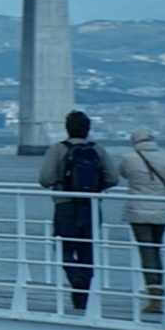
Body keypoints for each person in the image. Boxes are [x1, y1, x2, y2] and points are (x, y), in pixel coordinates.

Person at [37, 109, 117, 310]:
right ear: (88, 129)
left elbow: (45, 179)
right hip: (90, 206)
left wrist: (61, 183)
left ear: (67, 129)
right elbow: (113, 178)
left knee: (63, 248)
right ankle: (82, 300)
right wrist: (95, 187)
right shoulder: (98, 150)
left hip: (65, 206)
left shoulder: (57, 150)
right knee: (87, 252)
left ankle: (74, 276)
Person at [116, 125, 165, 315]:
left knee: (146, 253)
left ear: (134, 141)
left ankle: (154, 297)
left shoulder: (128, 159)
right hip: (160, 212)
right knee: (156, 250)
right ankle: (159, 292)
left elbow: (119, 175)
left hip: (137, 212)